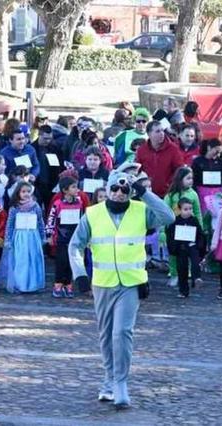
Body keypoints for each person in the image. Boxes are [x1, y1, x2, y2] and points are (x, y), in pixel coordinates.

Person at [68, 169, 174, 409]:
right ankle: (108, 379)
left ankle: (121, 383)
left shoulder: (141, 211)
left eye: (124, 190)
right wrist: (80, 274)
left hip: (131, 283)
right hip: (102, 284)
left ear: (130, 192)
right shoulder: (92, 214)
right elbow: (75, 246)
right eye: (114, 189)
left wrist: (144, 193)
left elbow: (167, 217)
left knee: (122, 333)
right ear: (107, 189)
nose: (118, 194)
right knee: (106, 335)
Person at [46, 176, 86, 298]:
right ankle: (58, 284)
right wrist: (49, 234)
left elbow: (82, 218)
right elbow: (51, 219)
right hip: (61, 238)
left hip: (74, 238)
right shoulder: (58, 204)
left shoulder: (79, 202)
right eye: (73, 187)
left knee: (71, 261)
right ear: (65, 190)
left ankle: (68, 284)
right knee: (61, 261)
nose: (77, 189)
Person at [163, 166, 203, 287]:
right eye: (188, 178)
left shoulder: (193, 195)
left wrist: (200, 228)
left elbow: (197, 212)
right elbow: (164, 213)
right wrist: (162, 232)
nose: (191, 181)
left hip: (189, 229)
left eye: (192, 178)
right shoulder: (171, 196)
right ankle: (174, 274)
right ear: (180, 179)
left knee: (189, 251)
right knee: (174, 253)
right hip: (174, 229)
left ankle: (188, 273)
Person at [2, 182, 45, 294]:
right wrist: (7, 239)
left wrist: (43, 236)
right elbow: (10, 224)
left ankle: (33, 284)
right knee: (21, 260)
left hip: (32, 237)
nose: (26, 194)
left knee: (33, 260)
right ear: (18, 193)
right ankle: (20, 284)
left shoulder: (35, 206)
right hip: (20, 237)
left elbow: (40, 222)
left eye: (28, 191)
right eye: (23, 191)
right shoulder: (14, 207)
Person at [165, 198, 205, 298]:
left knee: (195, 262)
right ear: (179, 210)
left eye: (190, 209)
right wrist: (174, 247)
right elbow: (170, 235)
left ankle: (196, 278)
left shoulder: (194, 220)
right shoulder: (175, 221)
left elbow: (200, 234)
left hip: (192, 245)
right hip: (181, 247)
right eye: (185, 209)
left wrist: (199, 245)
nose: (189, 211)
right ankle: (183, 291)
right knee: (182, 269)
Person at [135, 121, 185, 198]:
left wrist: (171, 186)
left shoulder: (173, 149)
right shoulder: (141, 150)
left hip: (167, 195)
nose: (162, 133)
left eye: (162, 130)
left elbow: (180, 171)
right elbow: (137, 171)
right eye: (158, 131)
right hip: (146, 194)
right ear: (149, 134)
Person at [191, 138, 222, 215]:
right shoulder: (198, 161)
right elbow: (193, 177)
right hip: (202, 191)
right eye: (216, 150)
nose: (217, 154)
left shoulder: (221, 162)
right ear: (209, 148)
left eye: (219, 152)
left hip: (217, 191)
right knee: (204, 213)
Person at [31, 124, 63, 208]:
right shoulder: (31, 149)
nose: (48, 141)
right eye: (45, 138)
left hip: (51, 184)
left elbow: (60, 166)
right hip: (36, 184)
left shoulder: (55, 148)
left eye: (50, 138)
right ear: (39, 135)